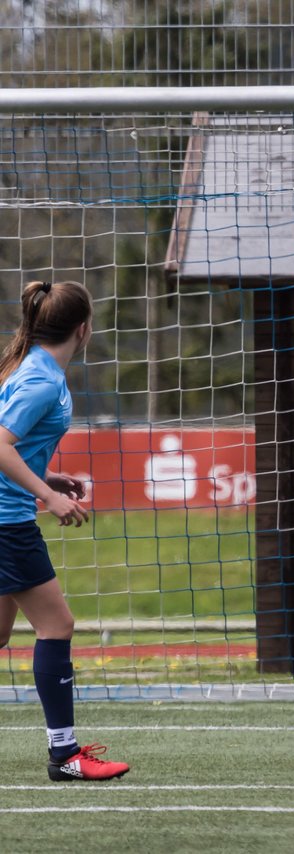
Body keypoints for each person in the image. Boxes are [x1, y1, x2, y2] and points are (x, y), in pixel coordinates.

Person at [0, 280, 129, 781]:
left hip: (7, 514)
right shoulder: (41, 379)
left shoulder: (34, 368)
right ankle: (65, 755)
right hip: (7, 522)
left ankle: (64, 753)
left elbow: (15, 445)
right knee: (58, 626)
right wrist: (48, 496)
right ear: (83, 329)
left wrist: (47, 477)